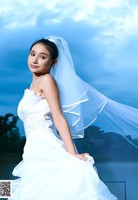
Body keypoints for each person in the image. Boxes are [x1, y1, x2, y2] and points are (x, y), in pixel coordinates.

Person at [10, 37, 117, 200]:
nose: (35, 60)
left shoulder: (47, 81)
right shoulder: (33, 84)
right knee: (26, 190)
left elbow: (58, 117)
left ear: (53, 62)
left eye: (43, 57)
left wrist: (72, 154)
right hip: (33, 149)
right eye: (33, 54)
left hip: (46, 147)